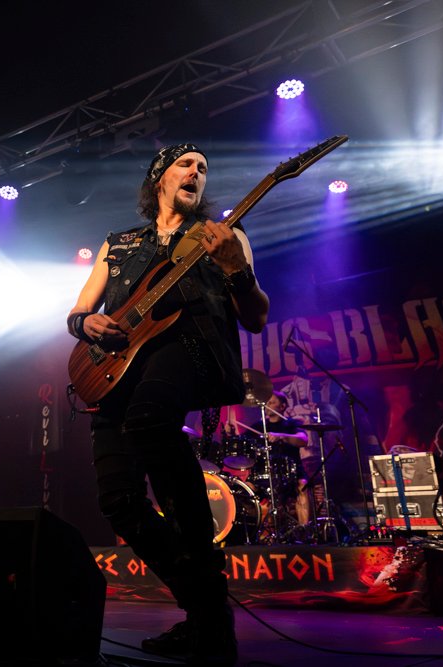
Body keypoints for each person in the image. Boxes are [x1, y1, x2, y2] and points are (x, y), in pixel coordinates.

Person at [67, 143, 269, 666]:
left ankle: (209, 615)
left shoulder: (225, 236)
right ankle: (204, 609)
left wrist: (236, 269)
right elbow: (79, 311)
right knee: (119, 502)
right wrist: (87, 323)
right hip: (116, 370)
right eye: (186, 164)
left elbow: (256, 318)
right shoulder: (118, 243)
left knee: (151, 421)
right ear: (160, 177)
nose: (197, 172)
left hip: (188, 350)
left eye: (204, 168)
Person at [248, 390, 310, 530]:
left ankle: (304, 530)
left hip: (290, 471)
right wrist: (230, 432)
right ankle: (259, 531)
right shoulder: (258, 426)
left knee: (303, 485)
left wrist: (281, 436)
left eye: (272, 402)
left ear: (282, 406)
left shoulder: (291, 424)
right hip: (263, 472)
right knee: (247, 487)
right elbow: (241, 440)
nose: (268, 405)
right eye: (267, 402)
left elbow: (303, 440)